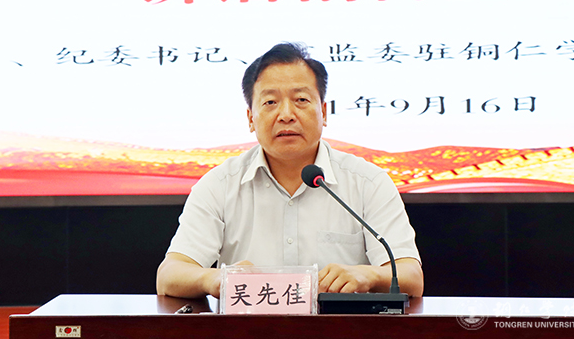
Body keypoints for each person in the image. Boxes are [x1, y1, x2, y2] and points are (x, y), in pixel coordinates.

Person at [156, 42, 423, 299]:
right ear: (250, 118)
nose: (286, 114)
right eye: (270, 102)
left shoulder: (368, 183)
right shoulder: (219, 185)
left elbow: (411, 276)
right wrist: (216, 279)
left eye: (301, 99)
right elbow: (169, 275)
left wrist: (369, 275)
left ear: (324, 112)